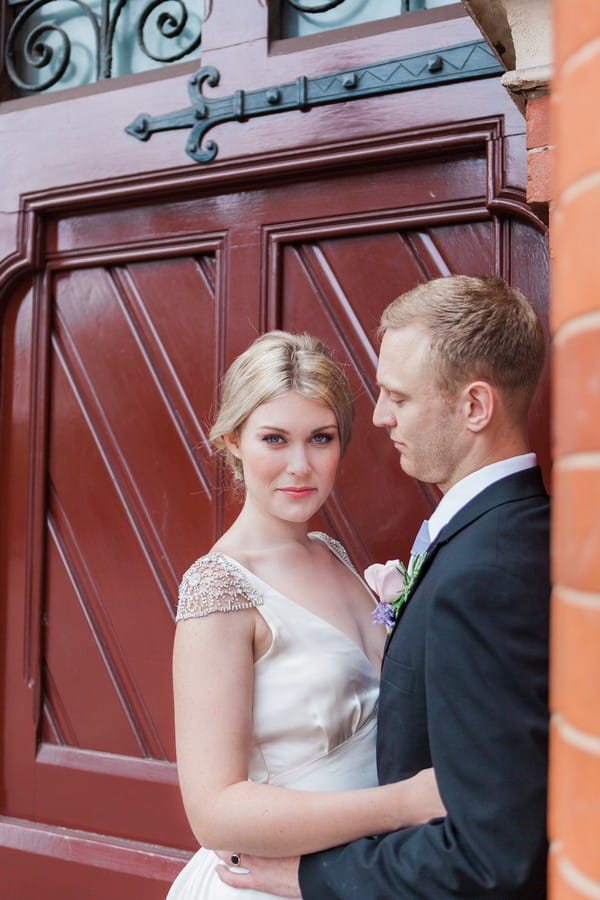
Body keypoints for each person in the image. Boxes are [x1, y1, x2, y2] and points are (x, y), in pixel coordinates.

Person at [218, 275, 551, 898]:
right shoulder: (515, 533)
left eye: (397, 395)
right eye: (275, 438)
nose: (377, 416)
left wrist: (315, 876)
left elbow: (491, 854)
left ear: (475, 406)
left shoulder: (485, 572)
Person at [167, 330, 444, 900]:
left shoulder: (330, 551)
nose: (301, 466)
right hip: (274, 885)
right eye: (275, 438)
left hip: (360, 874)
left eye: (321, 438)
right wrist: (405, 804)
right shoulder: (218, 588)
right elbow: (215, 812)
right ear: (232, 441)